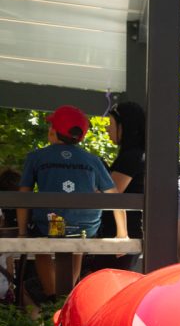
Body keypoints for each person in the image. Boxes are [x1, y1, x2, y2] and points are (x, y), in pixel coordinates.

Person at [17, 105, 127, 296]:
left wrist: (21, 232)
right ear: (81, 136)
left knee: (40, 244)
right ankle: (66, 294)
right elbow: (114, 194)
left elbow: (23, 194)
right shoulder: (93, 160)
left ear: (53, 131)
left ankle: (51, 294)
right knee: (77, 243)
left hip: (50, 226)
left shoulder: (36, 157)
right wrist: (122, 233)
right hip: (85, 227)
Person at [89, 101, 145, 272]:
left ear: (125, 126)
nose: (107, 129)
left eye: (111, 123)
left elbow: (111, 194)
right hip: (125, 235)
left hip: (119, 238)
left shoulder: (132, 157)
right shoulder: (138, 155)